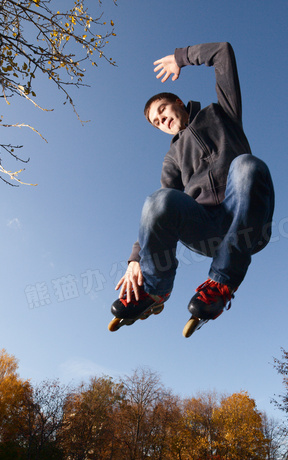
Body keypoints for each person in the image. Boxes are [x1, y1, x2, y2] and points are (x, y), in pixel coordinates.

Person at [112, 42, 275, 326]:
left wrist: (181, 58)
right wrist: (135, 259)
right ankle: (154, 290)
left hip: (245, 218)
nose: (162, 119)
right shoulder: (172, 157)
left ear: (178, 102)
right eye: (156, 122)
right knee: (157, 199)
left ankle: (222, 282)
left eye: (162, 109)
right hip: (205, 231)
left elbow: (222, 52)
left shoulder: (222, 113)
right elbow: (159, 212)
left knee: (246, 165)